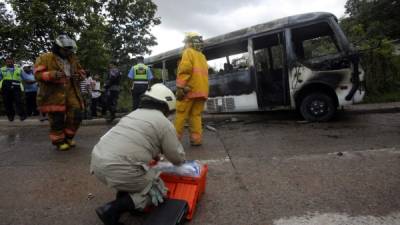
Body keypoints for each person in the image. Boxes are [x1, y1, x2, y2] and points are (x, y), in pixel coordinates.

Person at [90, 83, 185, 225]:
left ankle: (125, 200)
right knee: (158, 189)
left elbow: (134, 141)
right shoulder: (164, 123)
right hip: (119, 169)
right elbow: (177, 158)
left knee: (135, 173)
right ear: (166, 106)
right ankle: (112, 210)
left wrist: (153, 155)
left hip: (97, 163)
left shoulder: (132, 115)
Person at [34, 34, 86, 151]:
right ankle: (59, 141)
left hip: (71, 90)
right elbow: (37, 74)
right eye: (65, 49)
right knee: (57, 118)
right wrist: (52, 75)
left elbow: (81, 71)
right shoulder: (45, 58)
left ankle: (68, 137)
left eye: (70, 49)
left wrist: (79, 75)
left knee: (77, 114)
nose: (68, 52)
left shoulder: (72, 58)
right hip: (53, 93)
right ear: (57, 47)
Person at [174, 32, 209, 146]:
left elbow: (185, 70)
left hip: (189, 90)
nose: (185, 44)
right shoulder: (202, 56)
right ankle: (196, 140)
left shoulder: (188, 52)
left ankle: (173, 142)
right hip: (202, 91)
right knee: (196, 116)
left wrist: (180, 87)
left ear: (189, 42)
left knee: (180, 114)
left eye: (186, 42)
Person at [0, 57, 27, 121]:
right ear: (6, 62)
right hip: (6, 87)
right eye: (8, 62)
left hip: (16, 86)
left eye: (11, 62)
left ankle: (22, 115)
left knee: (19, 101)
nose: (9, 63)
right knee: (7, 102)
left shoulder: (19, 69)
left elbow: (24, 78)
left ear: (13, 62)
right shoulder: (1, 69)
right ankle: (10, 116)